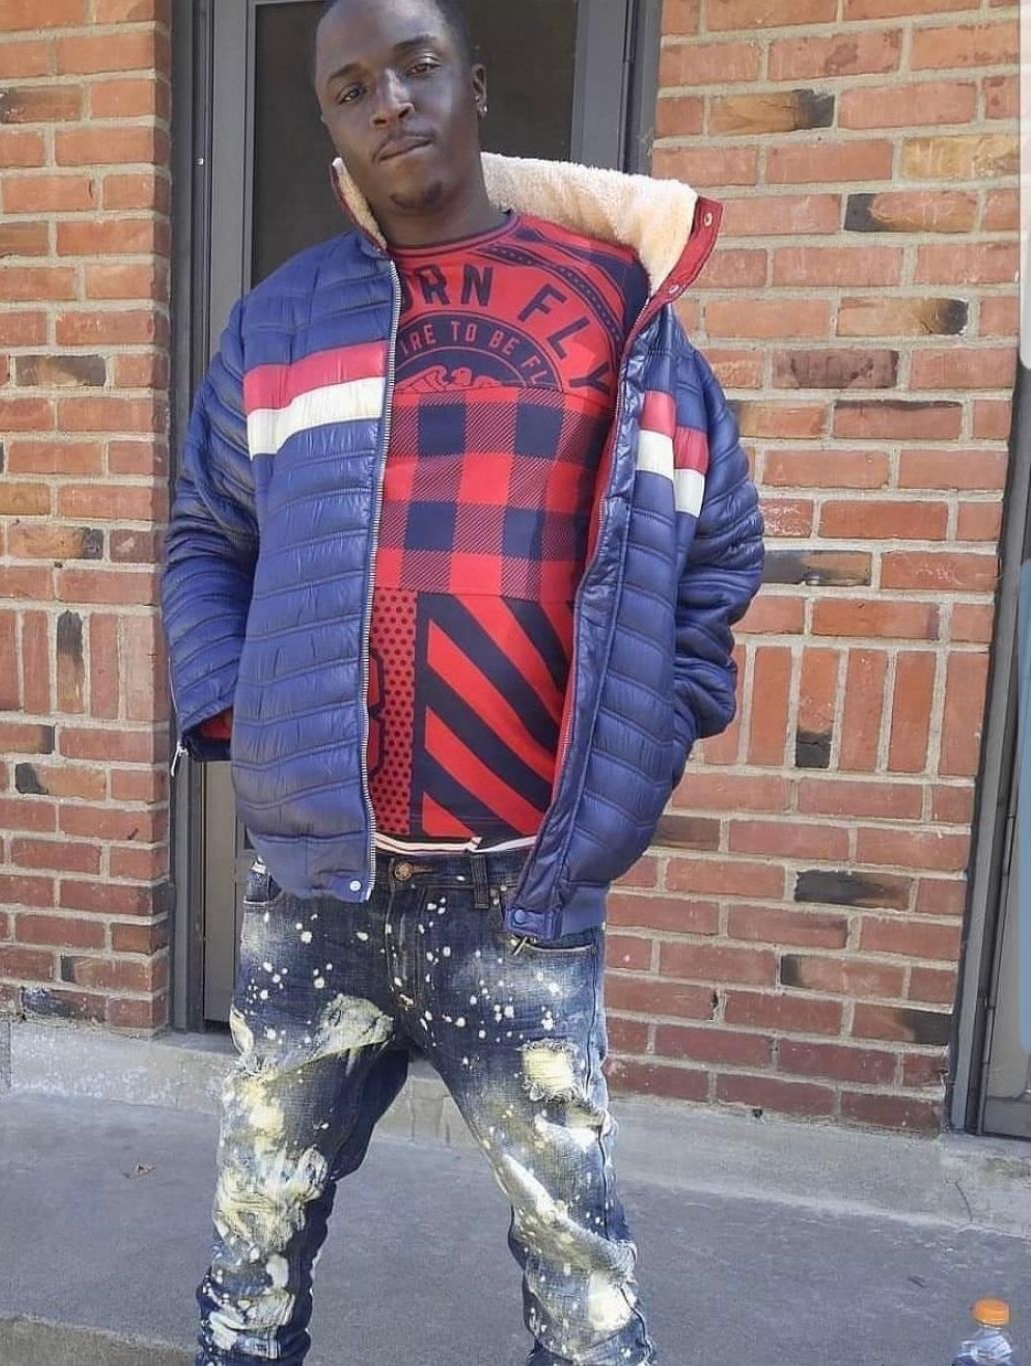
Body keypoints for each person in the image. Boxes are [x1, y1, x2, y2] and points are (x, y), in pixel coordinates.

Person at [160, 0, 765, 1360]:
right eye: (351, 87)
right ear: (330, 124)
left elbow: (715, 545)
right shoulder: (282, 320)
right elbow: (207, 536)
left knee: (580, 1269)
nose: (389, 101)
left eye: (417, 65)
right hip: (320, 882)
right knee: (250, 1251)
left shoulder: (617, 307)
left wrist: (653, 737)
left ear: (474, 84)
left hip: (519, 892)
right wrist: (241, 717)